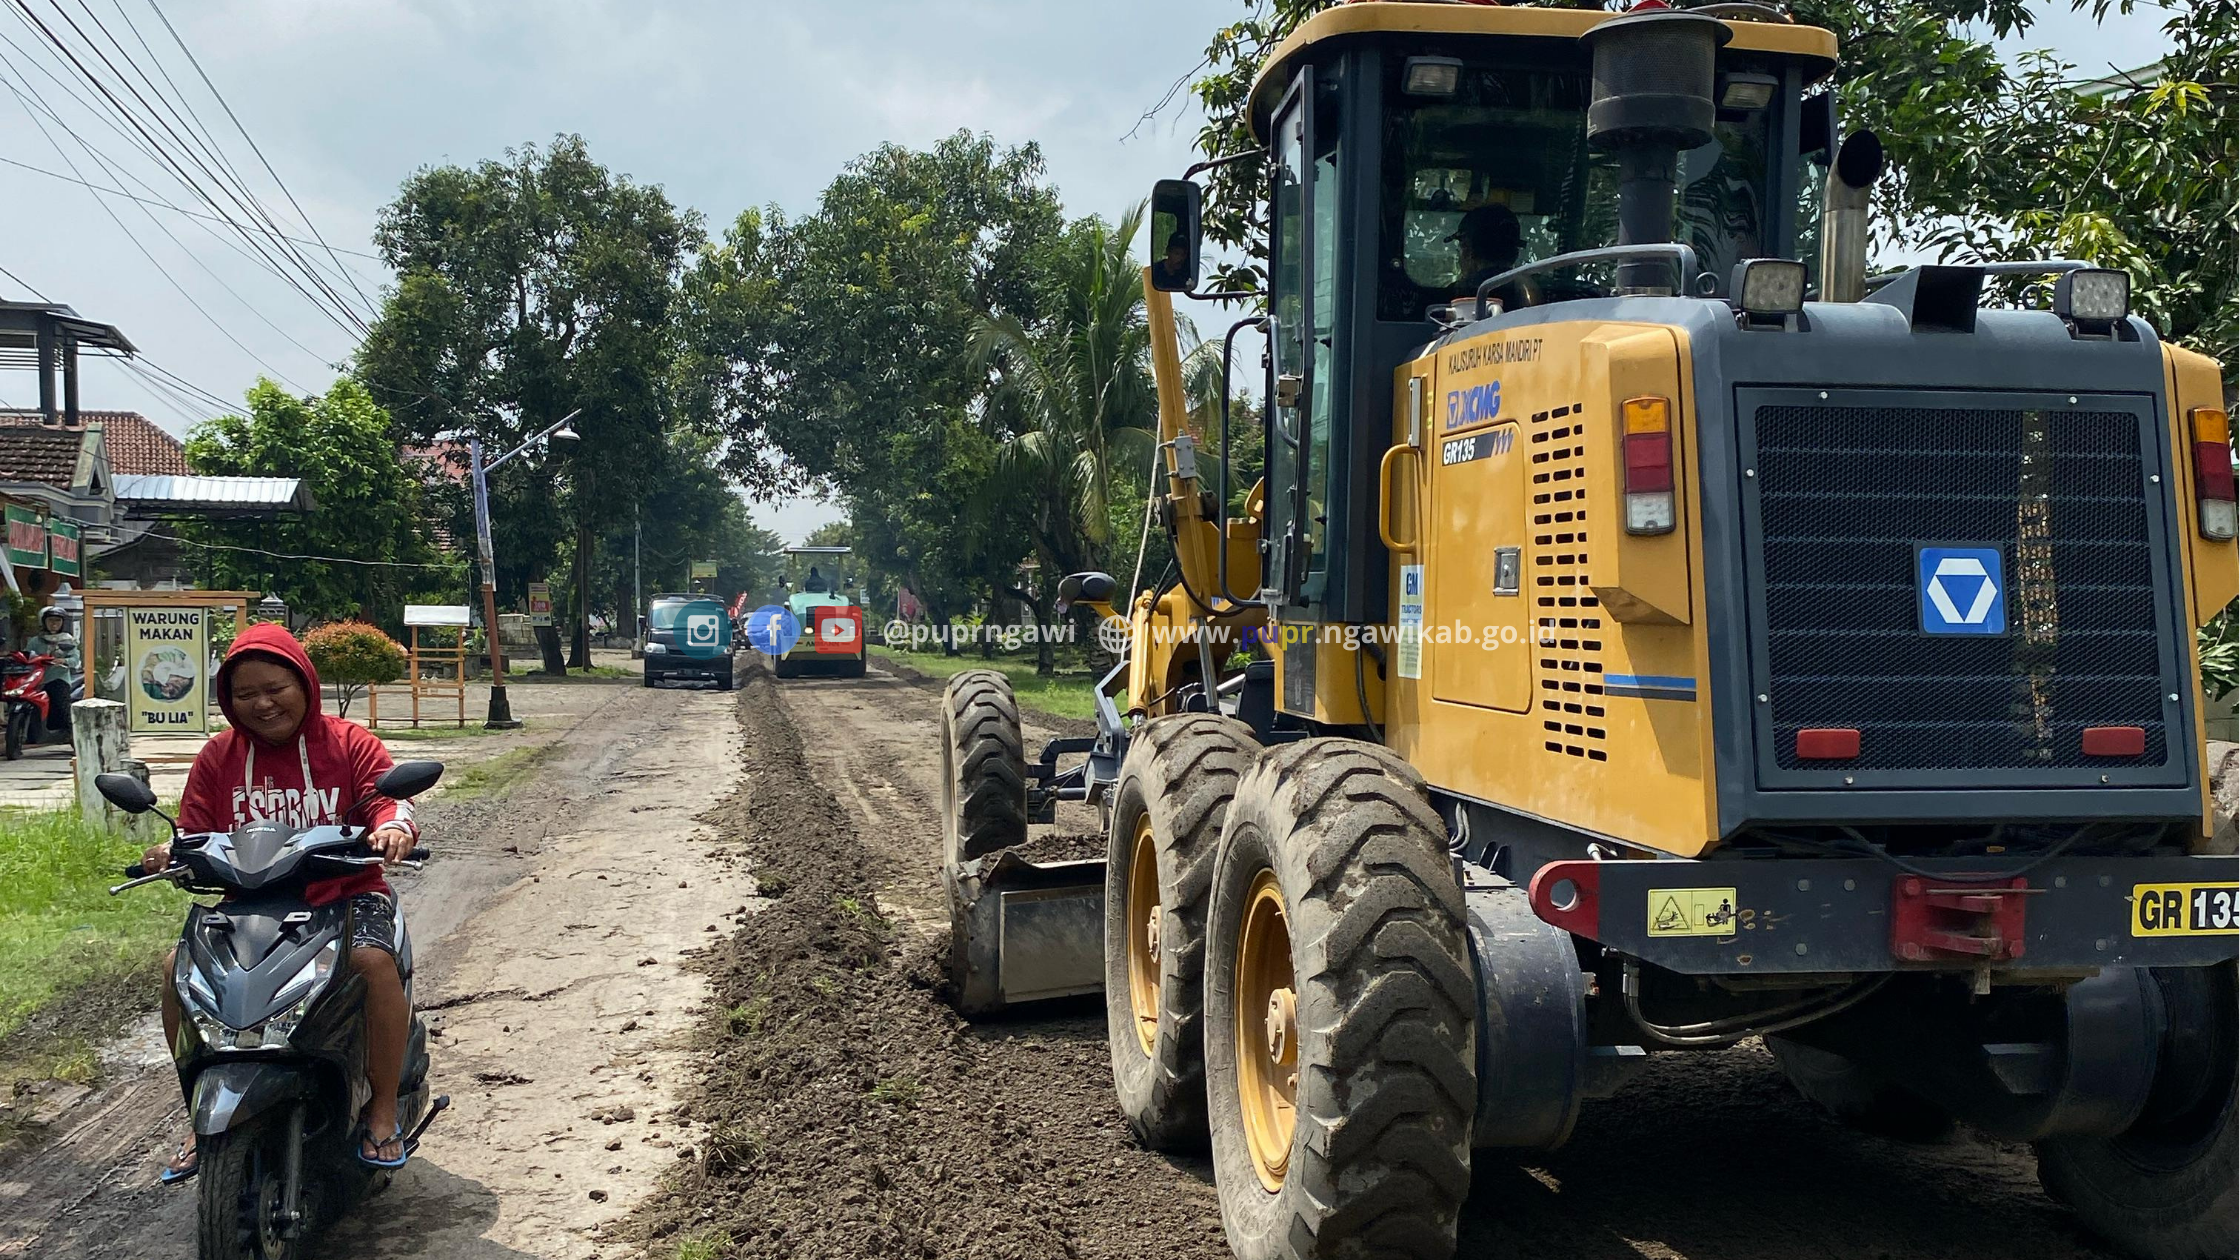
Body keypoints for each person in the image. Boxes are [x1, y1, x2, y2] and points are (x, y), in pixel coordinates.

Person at [144, 624, 422, 1182]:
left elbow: (388, 800)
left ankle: (383, 1109)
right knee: (177, 970)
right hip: (248, 902)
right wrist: (166, 851)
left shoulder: (349, 743)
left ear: (305, 683)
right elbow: (193, 828)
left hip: (348, 894)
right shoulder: (219, 755)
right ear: (228, 701)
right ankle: (199, 1116)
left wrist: (392, 829)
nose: (262, 704)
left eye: (275, 688)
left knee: (373, 964)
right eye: (245, 695)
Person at [1448, 203, 1525, 303]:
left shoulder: (1454, 295)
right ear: (1516, 253)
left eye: (1460, 249)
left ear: (1467, 250)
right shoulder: (1530, 290)